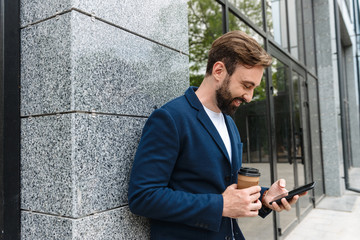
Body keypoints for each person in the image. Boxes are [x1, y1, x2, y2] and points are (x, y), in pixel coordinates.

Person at [128, 30, 304, 240]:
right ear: (219, 70)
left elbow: (225, 184)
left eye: (254, 88)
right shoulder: (170, 118)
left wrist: (265, 196)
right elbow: (143, 197)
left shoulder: (229, 121)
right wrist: (221, 205)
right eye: (246, 86)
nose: (249, 97)